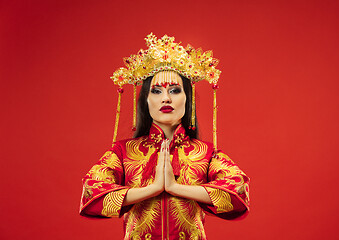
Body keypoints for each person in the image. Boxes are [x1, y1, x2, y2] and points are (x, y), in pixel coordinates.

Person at [80, 33, 250, 240]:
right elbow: (91, 194)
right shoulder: (123, 152)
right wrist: (152, 189)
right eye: (157, 91)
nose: (166, 98)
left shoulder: (205, 153)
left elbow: (238, 192)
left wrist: (175, 187)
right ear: (146, 100)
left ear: (188, 100)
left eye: (175, 90)